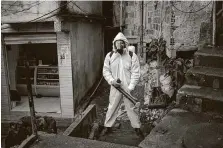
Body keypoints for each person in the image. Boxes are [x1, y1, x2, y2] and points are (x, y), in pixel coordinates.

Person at [102, 32, 144, 138]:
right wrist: (112, 81)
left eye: (121, 43)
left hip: (128, 86)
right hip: (115, 86)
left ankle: (137, 128)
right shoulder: (110, 56)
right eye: (117, 43)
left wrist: (130, 87)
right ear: (114, 44)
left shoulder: (131, 55)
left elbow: (136, 72)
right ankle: (107, 127)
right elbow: (106, 71)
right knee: (112, 107)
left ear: (125, 44)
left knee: (132, 108)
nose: (119, 45)